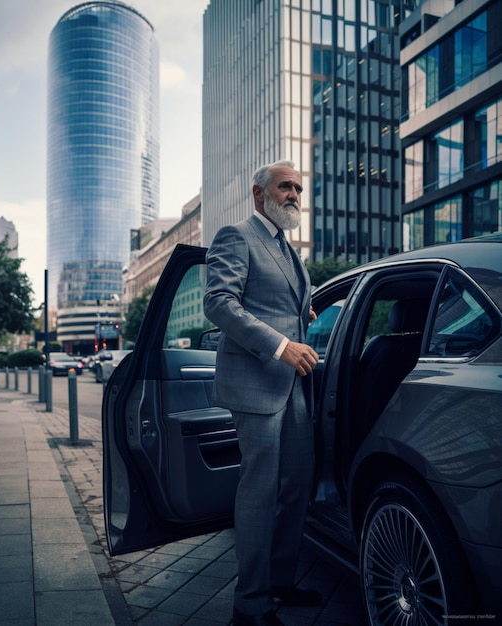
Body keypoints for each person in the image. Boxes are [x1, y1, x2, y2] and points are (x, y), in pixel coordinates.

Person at [204, 160, 320, 626]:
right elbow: (219, 303)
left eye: (297, 188)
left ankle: (279, 582)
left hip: (293, 388)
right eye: (285, 186)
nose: (294, 194)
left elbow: (283, 306)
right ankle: (249, 606)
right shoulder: (236, 236)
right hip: (257, 386)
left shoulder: (288, 249)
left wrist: (303, 325)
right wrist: (281, 344)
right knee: (260, 493)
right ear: (259, 194)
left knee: (296, 488)